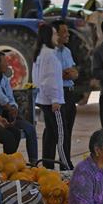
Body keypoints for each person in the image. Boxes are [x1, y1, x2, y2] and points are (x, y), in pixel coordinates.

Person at [0, 51, 38, 163]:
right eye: (4, 61)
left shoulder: (4, 78)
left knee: (30, 129)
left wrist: (13, 108)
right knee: (11, 136)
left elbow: (10, 96)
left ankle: (34, 162)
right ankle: (6, 162)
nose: (7, 64)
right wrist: (9, 107)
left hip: (9, 115)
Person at [33, 23, 72, 169]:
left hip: (44, 99)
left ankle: (49, 166)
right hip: (52, 101)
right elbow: (51, 79)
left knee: (51, 133)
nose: (57, 37)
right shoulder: (49, 55)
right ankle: (66, 166)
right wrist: (55, 99)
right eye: (55, 34)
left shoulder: (41, 53)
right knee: (61, 135)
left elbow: (39, 79)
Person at [53, 20, 79, 163]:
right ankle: (63, 163)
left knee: (68, 130)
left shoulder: (67, 51)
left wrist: (73, 73)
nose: (67, 34)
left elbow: (74, 71)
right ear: (55, 34)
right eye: (64, 32)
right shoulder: (51, 53)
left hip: (69, 92)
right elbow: (53, 74)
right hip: (58, 93)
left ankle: (66, 160)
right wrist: (65, 74)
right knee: (58, 131)